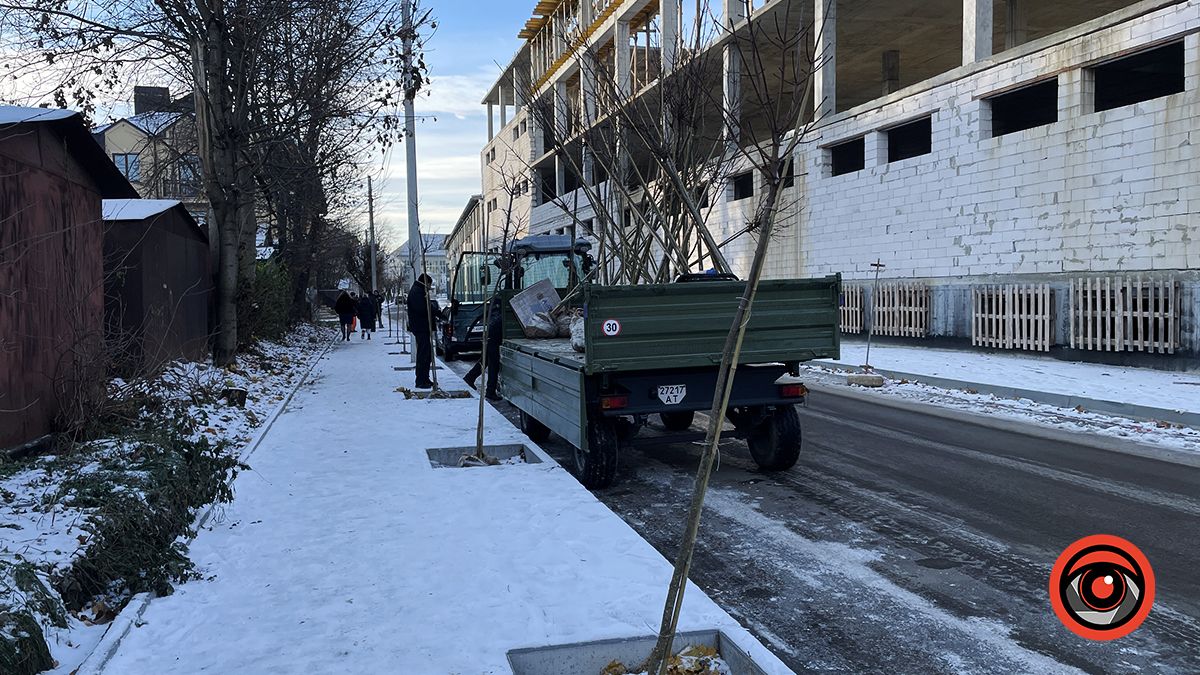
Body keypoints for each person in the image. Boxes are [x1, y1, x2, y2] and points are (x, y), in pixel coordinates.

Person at [406, 274, 441, 388]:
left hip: (422, 327)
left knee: (427, 354)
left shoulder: (418, 291)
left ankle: (425, 378)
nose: (430, 288)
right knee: (423, 354)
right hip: (421, 327)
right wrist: (433, 309)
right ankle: (421, 380)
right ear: (426, 283)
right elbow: (423, 309)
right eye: (429, 285)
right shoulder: (417, 292)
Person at [464, 296, 503, 401]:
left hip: (489, 340)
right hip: (493, 342)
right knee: (493, 367)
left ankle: (470, 377)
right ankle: (490, 391)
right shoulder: (500, 316)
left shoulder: (493, 314)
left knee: (485, 361)